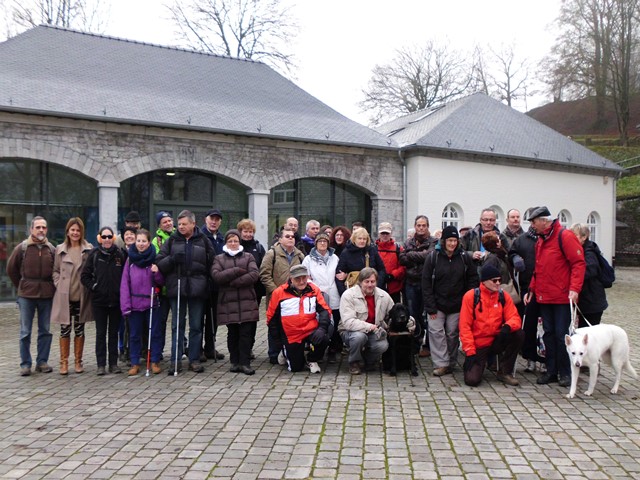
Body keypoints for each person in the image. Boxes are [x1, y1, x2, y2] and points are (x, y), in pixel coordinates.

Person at [525, 206, 585, 387]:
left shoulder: (564, 236)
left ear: (544, 221)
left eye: (534, 222)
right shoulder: (540, 241)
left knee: (562, 336)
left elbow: (578, 263)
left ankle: (565, 373)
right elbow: (538, 269)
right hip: (544, 297)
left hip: (561, 298)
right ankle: (551, 371)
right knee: (548, 335)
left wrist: (574, 289)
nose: (533, 226)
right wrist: (531, 290)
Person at [157, 210, 214, 375]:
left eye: (184, 224)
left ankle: (194, 359)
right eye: (179, 224)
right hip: (177, 288)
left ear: (193, 224)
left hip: (197, 288)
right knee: (177, 326)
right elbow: (160, 262)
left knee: (196, 326)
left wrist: (208, 281)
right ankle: (175, 360)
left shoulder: (203, 240)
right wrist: (172, 260)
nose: (181, 227)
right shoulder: (172, 241)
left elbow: (212, 261)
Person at [422, 226, 479, 376]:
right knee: (436, 332)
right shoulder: (433, 257)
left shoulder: (464, 257)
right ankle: (441, 363)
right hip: (436, 303)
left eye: (455, 240)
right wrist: (430, 306)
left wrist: (468, 299)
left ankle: (451, 362)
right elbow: (426, 283)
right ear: (444, 241)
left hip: (458, 304)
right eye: (450, 240)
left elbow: (473, 278)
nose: (452, 243)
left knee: (452, 334)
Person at [459, 264, 524, 387]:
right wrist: (470, 351)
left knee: (518, 334)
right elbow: (464, 327)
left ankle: (505, 371)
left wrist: (508, 326)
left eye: (500, 280)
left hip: (497, 339)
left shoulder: (503, 296)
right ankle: (474, 364)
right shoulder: (471, 296)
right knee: (472, 380)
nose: (498, 283)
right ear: (484, 281)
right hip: (479, 343)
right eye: (495, 280)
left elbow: (514, 317)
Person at [7, 216, 55, 376]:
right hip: (26, 296)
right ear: (31, 229)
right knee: (25, 331)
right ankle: (25, 364)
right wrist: (22, 286)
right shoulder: (22, 248)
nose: (41, 230)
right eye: (38, 227)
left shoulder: (51, 249)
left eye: (44, 227)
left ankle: (42, 362)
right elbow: (11, 269)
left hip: (47, 295)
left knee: (45, 331)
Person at [266, 264, 331, 373]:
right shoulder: (279, 293)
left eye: (304, 278)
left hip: (310, 330)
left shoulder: (314, 290)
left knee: (324, 338)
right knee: (296, 368)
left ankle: (312, 359)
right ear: (291, 279)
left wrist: (322, 329)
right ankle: (285, 351)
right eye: (297, 279)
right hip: (291, 335)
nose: (301, 282)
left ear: (308, 277)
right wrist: (279, 341)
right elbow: (271, 318)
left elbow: (325, 310)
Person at [211, 229, 260, 375]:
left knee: (246, 333)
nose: (233, 243)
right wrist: (236, 270)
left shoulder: (248, 256)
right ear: (226, 242)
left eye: (236, 241)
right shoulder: (219, 258)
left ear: (240, 242)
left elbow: (254, 274)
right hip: (228, 302)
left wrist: (234, 282)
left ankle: (245, 363)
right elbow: (217, 276)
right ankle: (234, 361)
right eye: (230, 241)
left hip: (247, 301)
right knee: (232, 333)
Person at [51, 217, 93, 375]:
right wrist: (58, 285)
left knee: (80, 330)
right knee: (64, 330)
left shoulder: (88, 249)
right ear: (67, 231)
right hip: (65, 296)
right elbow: (55, 271)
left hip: (81, 296)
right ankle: (64, 362)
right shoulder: (59, 249)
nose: (75, 233)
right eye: (72, 230)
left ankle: (78, 361)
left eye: (78, 230)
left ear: (81, 232)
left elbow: (92, 271)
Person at [120, 229, 164, 376]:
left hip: (152, 302)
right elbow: (125, 284)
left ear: (149, 242)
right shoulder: (130, 260)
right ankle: (134, 362)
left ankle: (155, 361)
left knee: (154, 333)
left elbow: (161, 282)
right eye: (138, 241)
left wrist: (156, 272)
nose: (141, 244)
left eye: (144, 241)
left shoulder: (155, 258)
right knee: (134, 335)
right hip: (135, 304)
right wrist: (125, 305)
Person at [81, 226, 125, 375]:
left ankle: (113, 364)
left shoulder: (120, 254)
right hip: (99, 301)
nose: (107, 239)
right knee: (101, 334)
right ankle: (101, 364)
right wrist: (94, 286)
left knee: (114, 333)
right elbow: (84, 276)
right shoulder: (93, 254)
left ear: (113, 238)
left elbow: (125, 276)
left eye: (109, 237)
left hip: (116, 301)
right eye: (104, 237)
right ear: (100, 238)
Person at [259, 228, 305, 364]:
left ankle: (287, 352)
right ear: (280, 239)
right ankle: (273, 354)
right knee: (275, 325)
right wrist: (276, 292)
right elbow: (264, 275)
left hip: (294, 299)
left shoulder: (300, 256)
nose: (290, 238)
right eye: (287, 236)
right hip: (276, 297)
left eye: (292, 236)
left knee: (289, 326)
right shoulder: (271, 254)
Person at [339, 267, 393, 375]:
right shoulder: (348, 295)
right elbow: (348, 322)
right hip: (350, 331)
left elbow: (393, 313)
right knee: (359, 337)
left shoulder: (384, 296)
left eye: (373, 281)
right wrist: (368, 326)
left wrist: (409, 322)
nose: (370, 285)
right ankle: (354, 362)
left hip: (374, 331)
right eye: (366, 281)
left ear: (376, 282)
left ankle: (368, 360)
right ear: (360, 282)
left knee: (383, 345)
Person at [509, 216, 544, 373]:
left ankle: (545, 359)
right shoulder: (522, 240)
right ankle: (530, 357)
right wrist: (515, 258)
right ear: (532, 223)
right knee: (529, 325)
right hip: (527, 289)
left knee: (544, 328)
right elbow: (511, 253)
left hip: (546, 289)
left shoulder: (548, 239)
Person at [399, 215, 437, 357]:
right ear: (415, 226)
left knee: (428, 315)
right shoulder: (408, 241)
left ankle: (428, 345)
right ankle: (415, 344)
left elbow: (429, 256)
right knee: (413, 315)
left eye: (424, 225)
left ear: (427, 226)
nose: (421, 228)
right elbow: (402, 258)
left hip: (427, 284)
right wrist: (419, 256)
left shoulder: (434, 241)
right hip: (410, 283)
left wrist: (411, 255)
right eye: (418, 225)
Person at [302, 233, 341, 363]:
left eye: (325, 241)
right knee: (319, 322)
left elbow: (339, 273)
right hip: (316, 293)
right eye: (320, 241)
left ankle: (332, 350)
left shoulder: (334, 257)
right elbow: (305, 277)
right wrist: (313, 285)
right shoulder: (308, 259)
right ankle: (318, 349)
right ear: (316, 243)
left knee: (334, 322)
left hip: (333, 293)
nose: (323, 244)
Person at [238, 218, 267, 358]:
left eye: (250, 232)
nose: (248, 234)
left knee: (252, 320)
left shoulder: (259, 247)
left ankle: (249, 347)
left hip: (255, 290)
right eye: (245, 231)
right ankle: (238, 347)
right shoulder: (236, 246)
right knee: (239, 319)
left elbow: (263, 266)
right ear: (240, 232)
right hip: (238, 290)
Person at [570, 223, 608, 328]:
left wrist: (571, 274)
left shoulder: (589, 252)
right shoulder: (580, 250)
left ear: (584, 237)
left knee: (588, 333)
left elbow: (588, 271)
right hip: (585, 302)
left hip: (592, 302)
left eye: (575, 235)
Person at [201, 209, 225, 361]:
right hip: (202, 284)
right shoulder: (201, 237)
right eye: (211, 218)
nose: (214, 222)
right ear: (206, 219)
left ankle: (210, 347)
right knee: (199, 319)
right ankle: (197, 349)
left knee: (213, 320)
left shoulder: (221, 238)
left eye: (217, 219)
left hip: (217, 286)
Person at [152, 210, 175, 360]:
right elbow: (156, 262)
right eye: (164, 221)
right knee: (160, 323)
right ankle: (157, 351)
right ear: (160, 225)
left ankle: (179, 349)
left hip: (177, 286)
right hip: (163, 289)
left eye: (169, 220)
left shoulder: (179, 236)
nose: (168, 223)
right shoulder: (156, 241)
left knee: (178, 322)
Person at [336, 228, 386, 296]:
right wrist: (344, 295)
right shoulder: (346, 253)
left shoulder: (372, 250)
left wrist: (377, 285)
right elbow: (339, 276)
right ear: (354, 239)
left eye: (364, 239)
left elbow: (381, 269)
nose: (362, 241)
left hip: (372, 291)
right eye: (359, 238)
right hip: (353, 293)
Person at [118, 225, 137, 362]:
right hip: (123, 291)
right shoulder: (119, 252)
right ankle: (123, 349)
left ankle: (134, 350)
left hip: (137, 293)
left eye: (132, 234)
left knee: (134, 325)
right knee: (123, 324)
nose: (129, 236)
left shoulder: (140, 251)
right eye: (126, 234)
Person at [375, 222, 405, 303]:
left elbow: (403, 266)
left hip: (394, 288)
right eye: (383, 233)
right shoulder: (373, 248)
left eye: (387, 233)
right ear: (379, 234)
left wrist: (393, 275)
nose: (385, 235)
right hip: (377, 287)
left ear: (391, 234)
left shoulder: (398, 249)